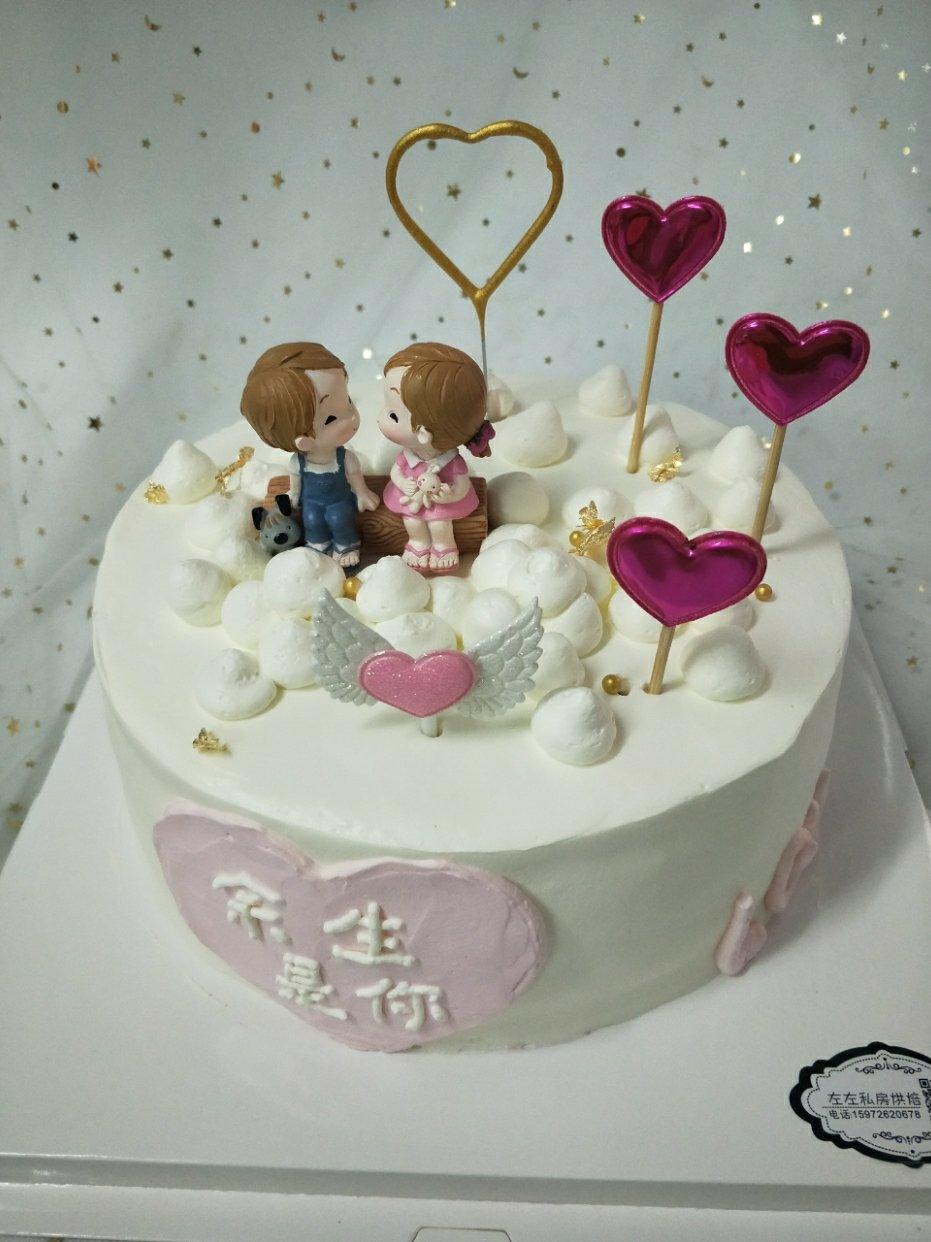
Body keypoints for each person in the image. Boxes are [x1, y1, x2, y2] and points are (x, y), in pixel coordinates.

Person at [239, 342, 379, 569]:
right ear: (302, 441)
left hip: (340, 500)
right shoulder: (298, 462)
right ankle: (318, 544)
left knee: (339, 518)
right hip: (311, 501)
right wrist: (294, 495)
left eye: (348, 401)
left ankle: (347, 546)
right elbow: (296, 481)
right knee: (311, 520)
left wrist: (362, 493)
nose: (351, 418)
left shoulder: (344, 458)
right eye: (331, 419)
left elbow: (355, 478)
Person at [378, 342, 493, 574]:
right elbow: (396, 472)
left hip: (439, 505)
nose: (380, 418)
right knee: (412, 521)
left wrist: (451, 494)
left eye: (392, 415)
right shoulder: (408, 456)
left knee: (440, 524)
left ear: (423, 434)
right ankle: (418, 544)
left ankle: (444, 547)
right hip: (410, 500)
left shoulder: (451, 462)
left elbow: (461, 484)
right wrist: (402, 482)